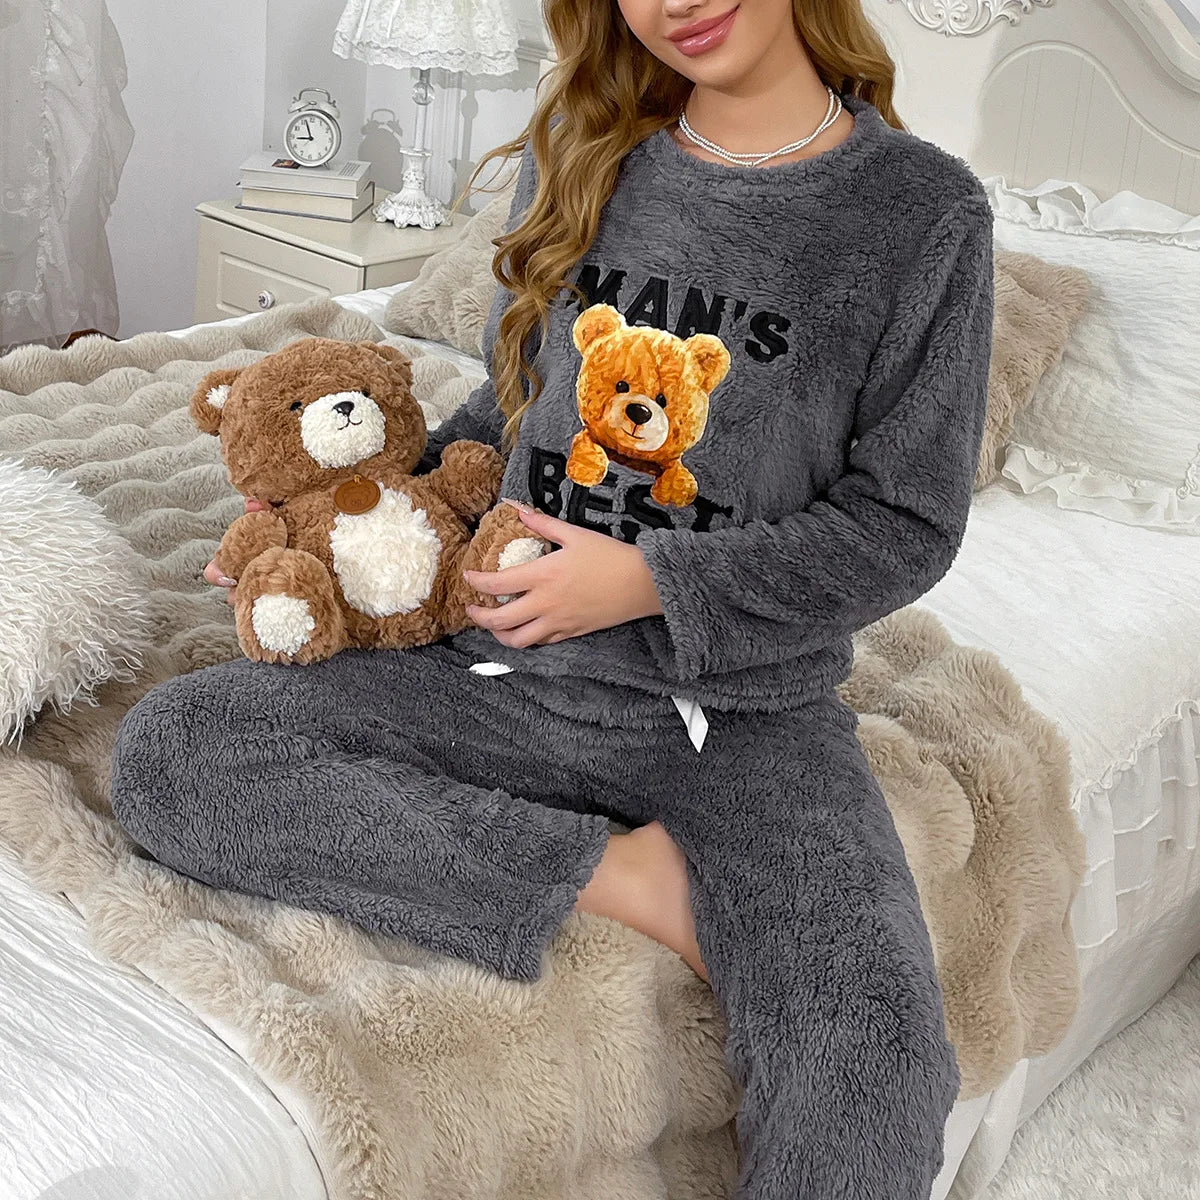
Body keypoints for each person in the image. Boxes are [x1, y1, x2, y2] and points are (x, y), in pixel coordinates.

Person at [109, 0, 996, 1195]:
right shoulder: (585, 149)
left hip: (739, 718)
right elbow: (507, 411)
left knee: (874, 1069)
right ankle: (631, 879)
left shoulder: (920, 213)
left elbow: (904, 525)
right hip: (495, 671)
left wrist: (647, 580)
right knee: (178, 751)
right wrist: (347, 525)